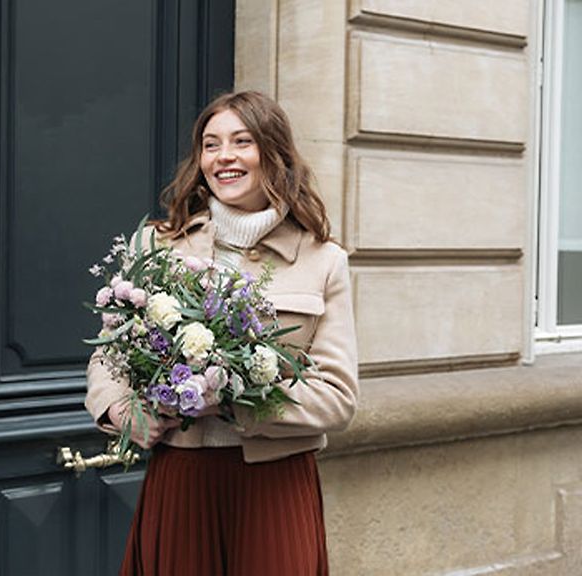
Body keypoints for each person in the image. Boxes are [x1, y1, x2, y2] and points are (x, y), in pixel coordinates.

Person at [85, 91, 358, 575]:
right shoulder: (157, 243)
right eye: (210, 145)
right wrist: (122, 410)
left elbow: (337, 398)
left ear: (273, 154)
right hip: (182, 479)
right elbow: (110, 354)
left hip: (274, 486)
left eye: (241, 141)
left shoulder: (324, 260)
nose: (223, 157)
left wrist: (234, 398)